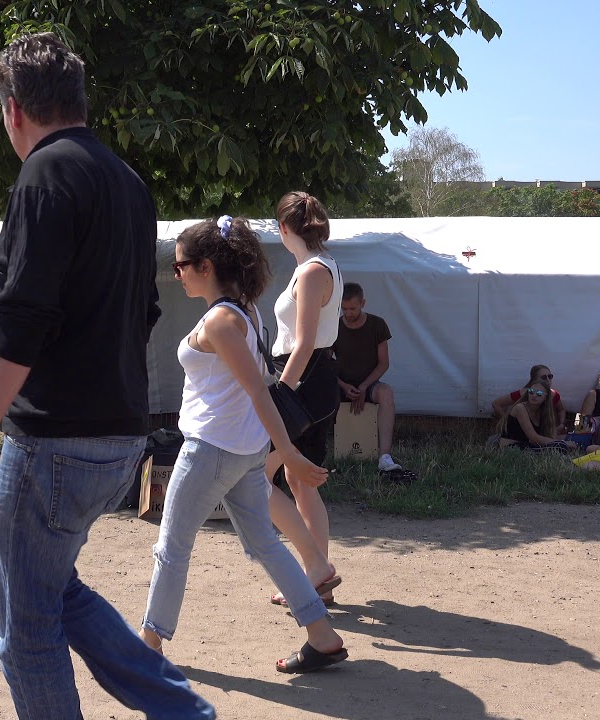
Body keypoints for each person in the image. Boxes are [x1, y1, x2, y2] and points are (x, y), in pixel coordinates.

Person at [0, 33, 213, 719]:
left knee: (26, 630)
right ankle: (185, 712)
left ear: (13, 110)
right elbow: (143, 311)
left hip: (53, 445)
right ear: (78, 100)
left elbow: (21, 322)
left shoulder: (45, 173)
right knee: (54, 589)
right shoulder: (128, 183)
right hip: (120, 435)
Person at [139, 216, 347, 674]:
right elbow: (252, 388)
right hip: (241, 451)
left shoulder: (221, 321)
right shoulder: (242, 310)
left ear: (206, 266)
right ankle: (322, 635)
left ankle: (148, 644)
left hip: (212, 449)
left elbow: (258, 390)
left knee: (172, 547)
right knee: (266, 545)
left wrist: (289, 452)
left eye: (181, 266)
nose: (176, 274)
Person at [264, 191, 344, 606]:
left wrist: (280, 393)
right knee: (299, 478)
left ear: (284, 228)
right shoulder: (319, 266)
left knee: (256, 475)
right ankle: (317, 576)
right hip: (309, 378)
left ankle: (316, 569)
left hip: (302, 380)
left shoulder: (313, 272)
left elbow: (305, 342)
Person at [334, 281, 410, 475]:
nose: (348, 313)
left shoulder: (377, 324)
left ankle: (385, 456)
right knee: (317, 389)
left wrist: (363, 387)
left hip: (368, 384)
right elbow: (324, 364)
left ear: (363, 303)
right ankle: (321, 452)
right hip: (341, 384)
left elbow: (383, 362)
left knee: (386, 394)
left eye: (352, 308)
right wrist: (343, 386)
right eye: (344, 309)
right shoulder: (334, 325)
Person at [496, 380, 577, 452]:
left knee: (568, 442)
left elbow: (547, 436)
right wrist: (563, 443)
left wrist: (569, 439)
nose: (534, 395)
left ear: (546, 397)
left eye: (539, 394)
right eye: (531, 391)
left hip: (526, 445)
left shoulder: (542, 411)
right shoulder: (520, 408)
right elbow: (534, 438)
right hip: (511, 447)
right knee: (560, 447)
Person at [492, 365, 567, 434]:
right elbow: (496, 404)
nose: (548, 379)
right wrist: (506, 422)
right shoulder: (524, 393)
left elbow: (561, 410)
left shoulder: (554, 394)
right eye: (544, 377)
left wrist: (561, 424)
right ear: (535, 379)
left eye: (550, 376)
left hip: (544, 431)